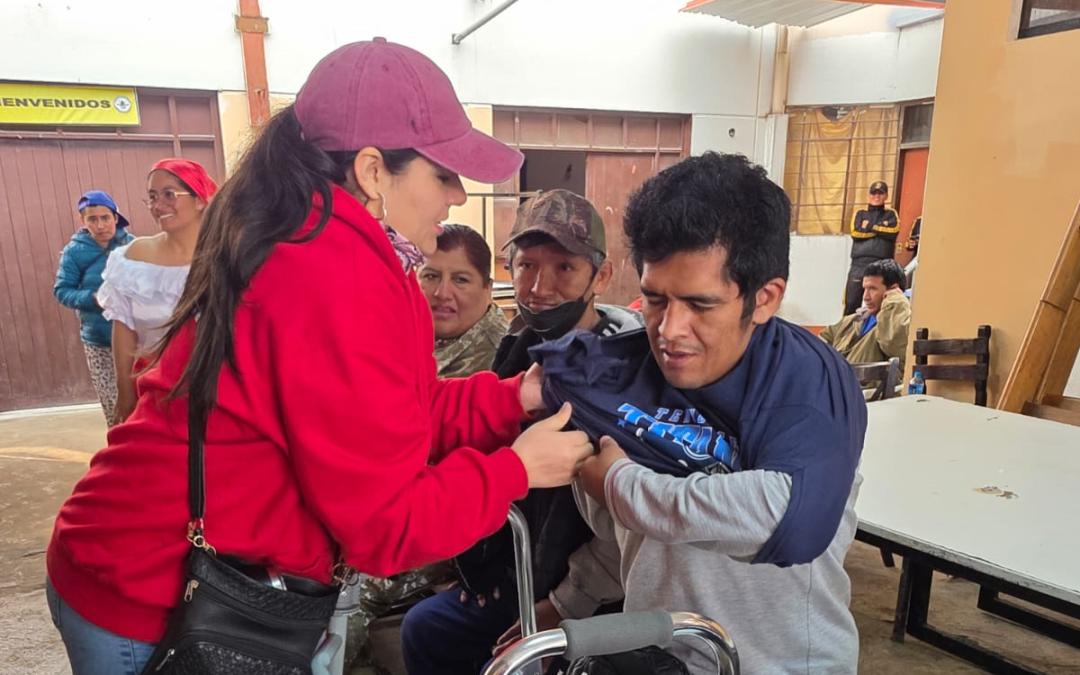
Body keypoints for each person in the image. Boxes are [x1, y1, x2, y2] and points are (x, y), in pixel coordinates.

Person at [45, 38, 593, 675]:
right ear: (372, 171)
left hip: (166, 558)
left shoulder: (337, 246)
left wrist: (514, 395)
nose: (457, 197)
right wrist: (516, 470)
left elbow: (396, 412)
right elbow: (385, 528)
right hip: (149, 586)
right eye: (443, 174)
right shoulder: (332, 275)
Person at [530, 152, 867, 675]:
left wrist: (621, 484)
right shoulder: (616, 384)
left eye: (700, 305)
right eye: (655, 300)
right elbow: (630, 535)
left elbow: (785, 519)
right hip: (661, 654)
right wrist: (568, 602)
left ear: (764, 298)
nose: (669, 331)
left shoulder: (809, 385)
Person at [401, 189, 643, 675]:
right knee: (425, 630)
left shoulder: (624, 375)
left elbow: (629, 530)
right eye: (527, 265)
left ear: (602, 276)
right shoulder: (517, 348)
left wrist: (564, 604)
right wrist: (479, 568)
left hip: (592, 593)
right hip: (520, 573)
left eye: (564, 267)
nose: (539, 287)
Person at [97, 158, 218, 424]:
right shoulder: (132, 259)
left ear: (200, 200)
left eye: (169, 194)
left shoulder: (227, 257)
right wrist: (125, 391)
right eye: (152, 197)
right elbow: (124, 329)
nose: (158, 205)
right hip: (154, 393)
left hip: (217, 393)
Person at [53, 191, 135, 426]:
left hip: (135, 340)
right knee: (114, 407)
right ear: (82, 221)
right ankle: (118, 447)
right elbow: (62, 291)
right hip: (99, 341)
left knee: (141, 404)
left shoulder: (132, 245)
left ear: (115, 217)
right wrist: (93, 298)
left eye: (105, 218)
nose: (100, 225)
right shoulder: (74, 251)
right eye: (92, 219)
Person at [421, 223, 509, 378]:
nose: (442, 293)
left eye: (461, 280)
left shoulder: (499, 363)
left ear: (488, 289)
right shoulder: (398, 331)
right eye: (431, 276)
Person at [819, 258, 911, 376]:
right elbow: (820, 344)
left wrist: (895, 301)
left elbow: (894, 344)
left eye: (872, 289)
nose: (865, 297)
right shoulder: (852, 321)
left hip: (867, 388)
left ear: (893, 290)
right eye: (864, 289)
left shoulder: (901, 323)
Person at [843, 181, 899, 316]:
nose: (877, 196)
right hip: (859, 264)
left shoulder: (891, 214)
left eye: (880, 193)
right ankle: (847, 328)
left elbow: (893, 231)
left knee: (882, 302)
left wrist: (869, 226)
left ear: (886, 196)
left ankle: (879, 328)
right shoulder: (860, 213)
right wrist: (881, 228)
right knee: (851, 301)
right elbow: (856, 233)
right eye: (874, 193)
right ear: (869, 195)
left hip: (882, 264)